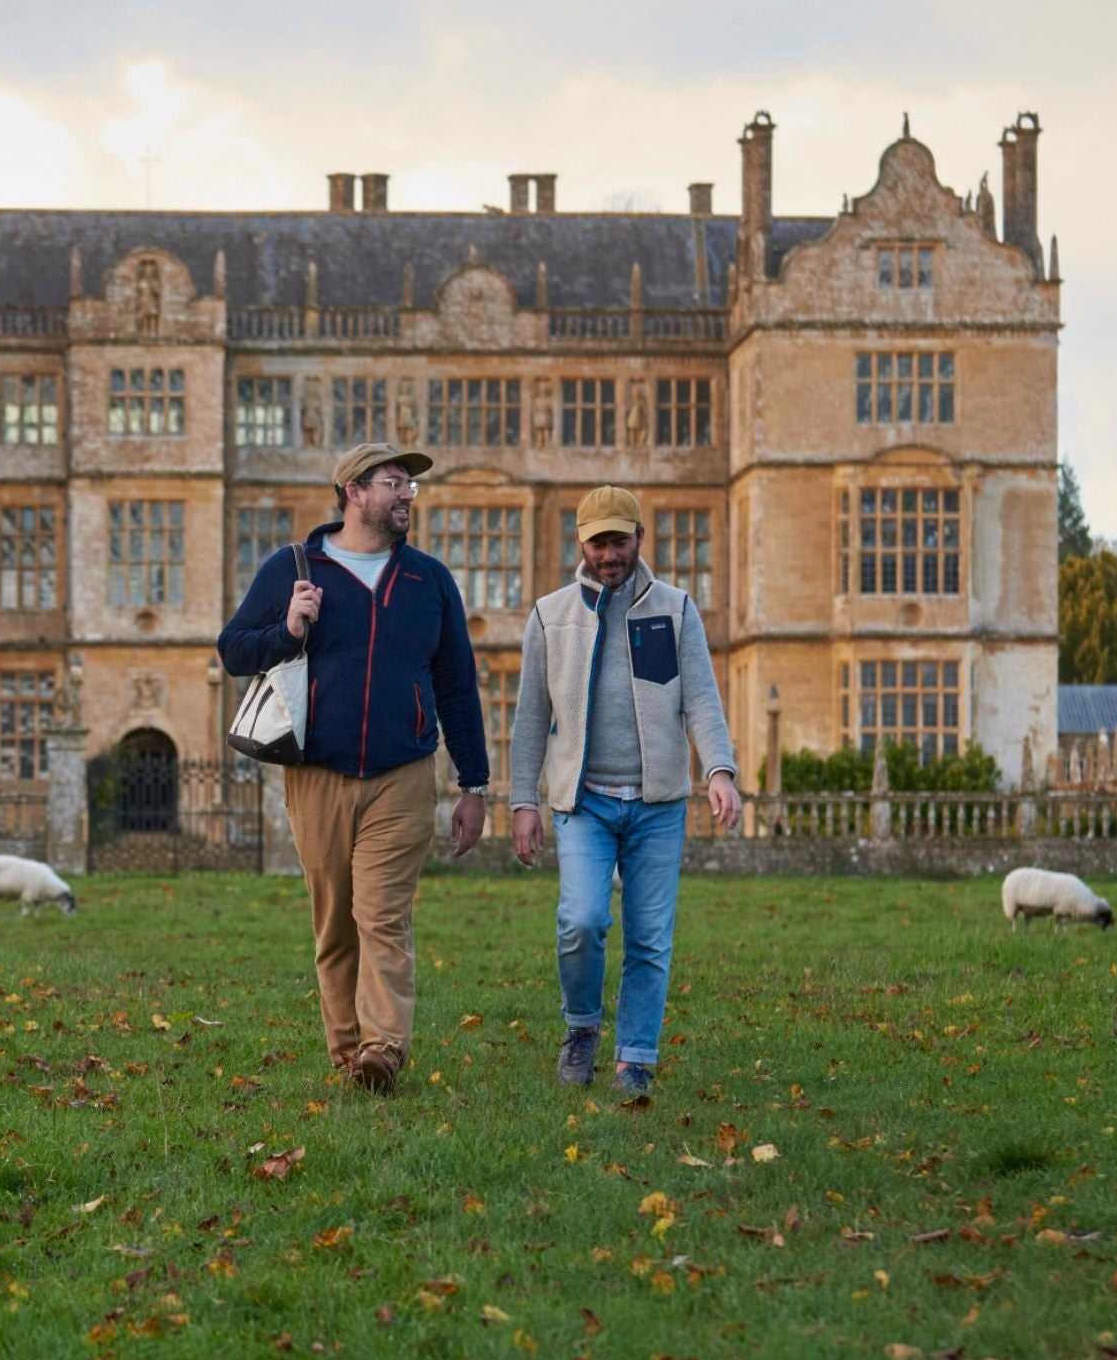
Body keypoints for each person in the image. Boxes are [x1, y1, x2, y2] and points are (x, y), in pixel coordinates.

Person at [219, 442, 490, 1094]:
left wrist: (474, 784)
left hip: (403, 773)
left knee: (384, 915)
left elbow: (457, 682)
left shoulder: (429, 581)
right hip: (317, 773)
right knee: (335, 920)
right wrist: (286, 628)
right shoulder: (295, 568)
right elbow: (233, 650)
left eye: (410, 487)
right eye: (393, 484)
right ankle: (348, 1052)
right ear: (352, 491)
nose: (405, 496)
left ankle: (384, 1048)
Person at [507, 486, 740, 1094]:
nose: (610, 553)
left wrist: (719, 770)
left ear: (640, 538)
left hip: (658, 804)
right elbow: (530, 718)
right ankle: (582, 1027)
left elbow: (703, 701)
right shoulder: (548, 616)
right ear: (580, 544)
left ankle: (635, 1057)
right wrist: (522, 803)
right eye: (598, 541)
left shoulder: (676, 608)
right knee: (580, 920)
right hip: (582, 804)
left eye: (620, 540)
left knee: (649, 936)